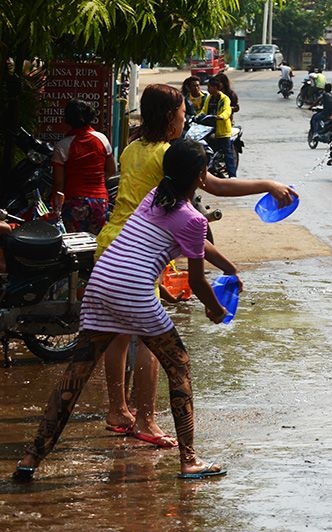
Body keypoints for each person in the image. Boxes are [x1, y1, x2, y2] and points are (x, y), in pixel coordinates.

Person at [13, 139, 235, 483]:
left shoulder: (154, 198)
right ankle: (189, 460)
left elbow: (196, 244)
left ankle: (31, 458)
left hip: (102, 284)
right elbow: (197, 280)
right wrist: (217, 310)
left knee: (76, 374)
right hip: (133, 292)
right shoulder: (191, 218)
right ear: (201, 176)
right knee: (179, 365)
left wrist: (230, 267)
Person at [97, 84, 296, 448]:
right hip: (143, 253)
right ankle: (146, 419)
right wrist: (269, 183)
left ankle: (118, 409)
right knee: (152, 341)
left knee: (119, 334)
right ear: (171, 119)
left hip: (112, 243)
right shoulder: (170, 156)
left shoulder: (131, 149)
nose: (186, 117)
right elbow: (217, 187)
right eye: (183, 113)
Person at [50, 99, 116, 234]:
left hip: (74, 201)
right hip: (100, 200)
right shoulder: (102, 139)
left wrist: (54, 207)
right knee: (96, 243)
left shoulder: (62, 146)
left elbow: (59, 184)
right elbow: (111, 170)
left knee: (74, 244)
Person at [196, 76, 237, 177]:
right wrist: (197, 117)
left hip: (222, 129)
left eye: (210, 87)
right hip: (209, 128)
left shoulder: (224, 98)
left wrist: (221, 116)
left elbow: (227, 110)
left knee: (228, 153)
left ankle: (232, 176)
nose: (208, 89)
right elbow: (204, 110)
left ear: (215, 87)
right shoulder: (209, 98)